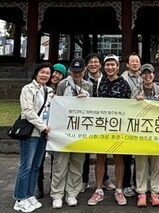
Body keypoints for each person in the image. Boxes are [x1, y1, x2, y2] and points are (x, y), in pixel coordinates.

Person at [88, 54, 132, 206]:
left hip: (118, 128)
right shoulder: (98, 83)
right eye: (107, 65)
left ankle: (119, 190)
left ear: (118, 66)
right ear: (103, 66)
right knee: (100, 157)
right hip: (101, 127)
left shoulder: (124, 84)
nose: (110, 67)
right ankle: (98, 190)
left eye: (113, 65)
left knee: (118, 157)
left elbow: (128, 106)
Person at [50, 58, 92, 208]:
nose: (77, 74)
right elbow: (57, 105)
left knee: (77, 163)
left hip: (80, 130)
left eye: (80, 71)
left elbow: (93, 107)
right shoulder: (62, 85)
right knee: (60, 164)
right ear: (70, 72)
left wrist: (86, 99)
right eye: (74, 71)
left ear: (84, 71)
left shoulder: (89, 86)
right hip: (63, 129)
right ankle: (57, 194)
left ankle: (72, 193)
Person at [13, 63, 53, 213]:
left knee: (36, 166)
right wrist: (43, 126)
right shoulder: (28, 89)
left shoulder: (48, 90)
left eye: (47, 73)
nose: (45, 75)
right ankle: (19, 198)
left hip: (43, 134)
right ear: (36, 73)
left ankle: (30, 195)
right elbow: (27, 111)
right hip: (31, 132)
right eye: (42, 72)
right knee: (26, 166)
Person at [132, 63, 159, 207]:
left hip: (156, 131)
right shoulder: (136, 89)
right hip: (140, 132)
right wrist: (136, 101)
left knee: (156, 163)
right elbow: (129, 107)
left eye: (150, 73)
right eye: (144, 73)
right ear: (141, 75)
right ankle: (141, 192)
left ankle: (155, 192)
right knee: (141, 163)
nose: (147, 76)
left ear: (154, 74)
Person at [82, 53, 115, 193]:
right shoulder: (81, 79)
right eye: (90, 62)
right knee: (84, 150)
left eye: (96, 62)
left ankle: (105, 178)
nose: (93, 64)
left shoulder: (106, 80)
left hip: (103, 119)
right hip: (86, 119)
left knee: (103, 150)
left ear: (100, 64)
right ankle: (84, 179)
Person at [37, 62, 68, 198]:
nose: (56, 75)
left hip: (56, 129)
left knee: (56, 161)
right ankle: (39, 186)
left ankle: (55, 187)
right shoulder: (41, 88)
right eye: (54, 72)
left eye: (60, 74)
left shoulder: (63, 90)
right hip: (41, 126)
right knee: (39, 159)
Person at [120, 53, 142, 198]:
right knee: (126, 156)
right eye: (132, 61)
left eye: (137, 61)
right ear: (127, 64)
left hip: (141, 121)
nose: (135, 63)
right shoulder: (122, 79)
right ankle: (126, 184)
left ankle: (137, 183)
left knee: (139, 155)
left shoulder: (144, 77)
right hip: (127, 121)